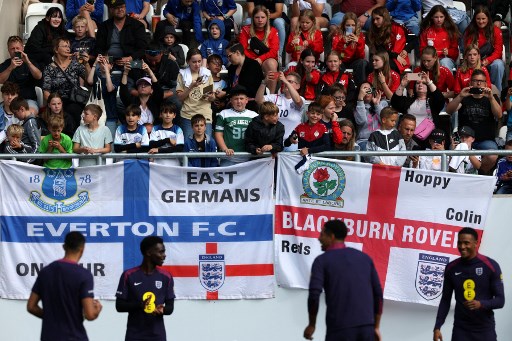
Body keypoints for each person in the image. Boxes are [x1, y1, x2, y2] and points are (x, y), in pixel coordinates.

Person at [304, 219, 383, 341]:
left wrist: (312, 324)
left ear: (332, 236)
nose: (319, 239)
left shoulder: (322, 261)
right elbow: (378, 294)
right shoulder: (365, 259)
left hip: (340, 329)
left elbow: (314, 294)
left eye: (322, 234)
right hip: (366, 328)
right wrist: (376, 327)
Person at [27, 231, 102, 341]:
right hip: (74, 336)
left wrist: (51, 318)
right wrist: (97, 309)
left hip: (49, 336)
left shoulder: (46, 272)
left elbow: (31, 306)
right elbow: (90, 314)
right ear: (82, 250)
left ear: (64, 247)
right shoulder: (84, 275)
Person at [433, 227, 505, 341]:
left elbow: (501, 300)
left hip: (485, 330)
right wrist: (437, 327)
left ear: (475, 243)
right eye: (459, 243)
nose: (462, 247)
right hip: (461, 330)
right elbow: (445, 300)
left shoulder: (491, 266)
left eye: (466, 243)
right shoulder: (451, 268)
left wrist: (481, 304)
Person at [116, 236, 175, 341]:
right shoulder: (128, 275)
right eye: (161, 252)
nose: (164, 255)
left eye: (164, 252)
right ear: (148, 253)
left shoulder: (166, 276)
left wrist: (163, 310)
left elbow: (170, 307)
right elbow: (119, 306)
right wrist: (140, 305)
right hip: (134, 335)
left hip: (158, 336)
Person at [446, 69, 502, 174]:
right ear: (470, 83)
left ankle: (480, 175)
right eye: (475, 80)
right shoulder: (464, 97)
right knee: (452, 151)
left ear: (486, 83)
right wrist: (460, 96)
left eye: (481, 81)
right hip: (464, 139)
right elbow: (449, 110)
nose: (478, 83)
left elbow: (498, 115)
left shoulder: (491, 98)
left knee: (493, 155)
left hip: (485, 140)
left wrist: (491, 98)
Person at [391, 72, 448, 149]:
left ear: (428, 87)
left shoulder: (432, 101)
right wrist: (402, 85)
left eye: (424, 83)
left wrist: (429, 82)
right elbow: (395, 103)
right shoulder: (409, 101)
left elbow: (440, 99)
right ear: (415, 86)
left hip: (429, 137)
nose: (420, 85)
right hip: (410, 136)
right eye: (418, 83)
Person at [42, 37, 89, 127]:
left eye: (68, 46)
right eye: (64, 46)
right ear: (56, 49)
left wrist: (86, 64)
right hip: (57, 101)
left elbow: (89, 80)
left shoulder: (75, 64)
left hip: (74, 100)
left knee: (73, 109)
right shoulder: (49, 68)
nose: (68, 49)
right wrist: (54, 104)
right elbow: (46, 91)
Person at [256, 71, 305, 152]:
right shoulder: (275, 97)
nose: (286, 83)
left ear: (298, 86)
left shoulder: (301, 99)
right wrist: (264, 83)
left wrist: (285, 81)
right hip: (274, 141)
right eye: (285, 81)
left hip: (292, 140)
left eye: (290, 81)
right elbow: (258, 100)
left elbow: (297, 100)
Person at [96, 0, 149, 72]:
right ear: (111, 10)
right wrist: (104, 57)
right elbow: (99, 47)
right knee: (97, 69)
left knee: (140, 66)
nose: (120, 10)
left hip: (131, 60)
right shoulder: (104, 26)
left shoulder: (137, 25)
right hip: (110, 60)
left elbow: (143, 48)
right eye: (117, 8)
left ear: (125, 8)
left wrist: (130, 58)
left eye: (122, 7)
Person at [463, 6, 505, 92]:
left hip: (491, 61)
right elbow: (468, 50)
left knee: (498, 64)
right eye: (478, 19)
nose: (481, 21)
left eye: (483, 18)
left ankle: (496, 93)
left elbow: (498, 51)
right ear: (475, 19)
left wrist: (487, 60)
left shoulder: (496, 30)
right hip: (474, 60)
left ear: (488, 18)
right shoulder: (470, 31)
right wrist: (477, 62)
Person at [239, 6, 279, 93]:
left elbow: (274, 51)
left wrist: (260, 59)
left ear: (267, 18)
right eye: (257, 17)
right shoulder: (245, 30)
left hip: (266, 59)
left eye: (263, 17)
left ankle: (271, 96)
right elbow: (242, 49)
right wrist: (254, 60)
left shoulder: (273, 31)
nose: (260, 20)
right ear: (253, 18)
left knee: (271, 64)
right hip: (249, 59)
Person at [176, 49, 215, 139]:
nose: (197, 64)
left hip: (205, 114)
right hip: (188, 115)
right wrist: (191, 86)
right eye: (194, 62)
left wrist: (211, 96)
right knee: (189, 146)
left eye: (199, 61)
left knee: (207, 144)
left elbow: (211, 98)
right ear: (188, 61)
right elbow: (180, 98)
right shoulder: (182, 74)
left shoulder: (207, 74)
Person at [214, 85, 258, 166]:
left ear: (246, 100)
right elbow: (218, 133)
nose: (239, 101)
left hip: (249, 158)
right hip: (228, 158)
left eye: (241, 98)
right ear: (231, 100)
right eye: (236, 99)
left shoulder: (254, 115)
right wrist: (225, 149)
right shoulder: (223, 114)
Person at [0, 36, 42, 115]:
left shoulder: (30, 62)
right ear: (8, 50)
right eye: (12, 48)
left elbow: (38, 76)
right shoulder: (6, 64)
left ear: (22, 48)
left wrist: (28, 62)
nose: (15, 50)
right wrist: (10, 67)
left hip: (28, 100)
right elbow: (1, 80)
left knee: (30, 114)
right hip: (10, 100)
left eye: (17, 48)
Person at [367, 6, 411, 74]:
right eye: (373, 19)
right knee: (371, 65)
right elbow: (382, 51)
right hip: (385, 57)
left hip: (399, 60)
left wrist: (406, 49)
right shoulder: (375, 32)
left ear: (385, 18)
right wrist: (396, 56)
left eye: (377, 19)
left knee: (415, 75)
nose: (375, 22)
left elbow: (414, 39)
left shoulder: (398, 27)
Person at [330, 13, 367, 86]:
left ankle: (361, 88)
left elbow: (361, 56)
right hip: (341, 62)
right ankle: (337, 88)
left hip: (354, 62)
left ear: (356, 26)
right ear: (344, 25)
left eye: (353, 25)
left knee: (362, 63)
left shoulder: (360, 36)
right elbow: (334, 54)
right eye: (348, 25)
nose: (350, 28)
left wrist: (358, 42)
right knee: (335, 63)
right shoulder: (338, 36)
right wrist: (342, 42)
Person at [419, 5, 460, 72]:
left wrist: (448, 52)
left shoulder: (451, 31)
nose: (439, 20)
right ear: (432, 17)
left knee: (444, 62)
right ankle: (415, 81)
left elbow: (455, 52)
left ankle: (448, 82)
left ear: (445, 17)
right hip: (429, 60)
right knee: (417, 71)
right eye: (436, 17)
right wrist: (430, 56)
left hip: (446, 59)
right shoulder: (426, 31)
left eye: (441, 17)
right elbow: (421, 50)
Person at [354, 82, 385, 151]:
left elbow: (385, 121)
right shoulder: (357, 108)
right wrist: (360, 100)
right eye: (364, 90)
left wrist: (377, 104)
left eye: (369, 90)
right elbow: (361, 121)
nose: (367, 92)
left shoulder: (379, 105)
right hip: (364, 141)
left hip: (380, 141)